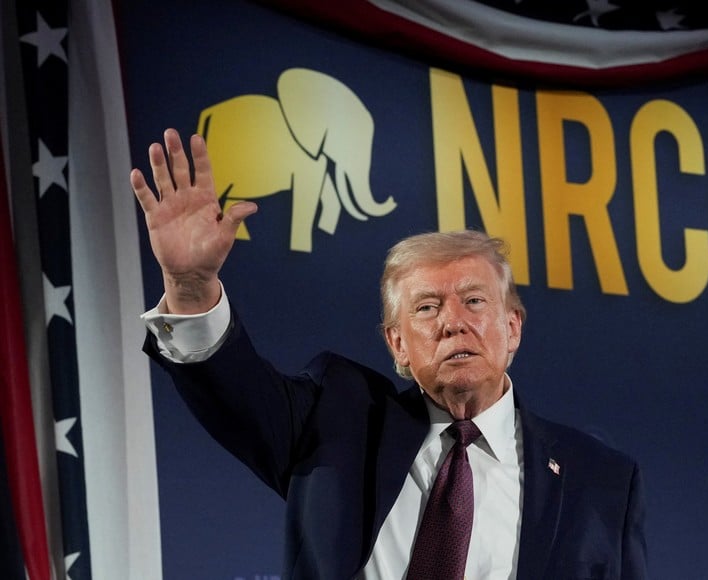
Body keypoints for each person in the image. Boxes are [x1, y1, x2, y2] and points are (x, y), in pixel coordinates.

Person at [132, 128, 647, 579]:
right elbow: (234, 388)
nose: (453, 322)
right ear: (397, 343)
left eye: (474, 301)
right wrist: (191, 287)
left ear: (512, 327)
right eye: (427, 307)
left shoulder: (600, 479)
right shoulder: (336, 422)